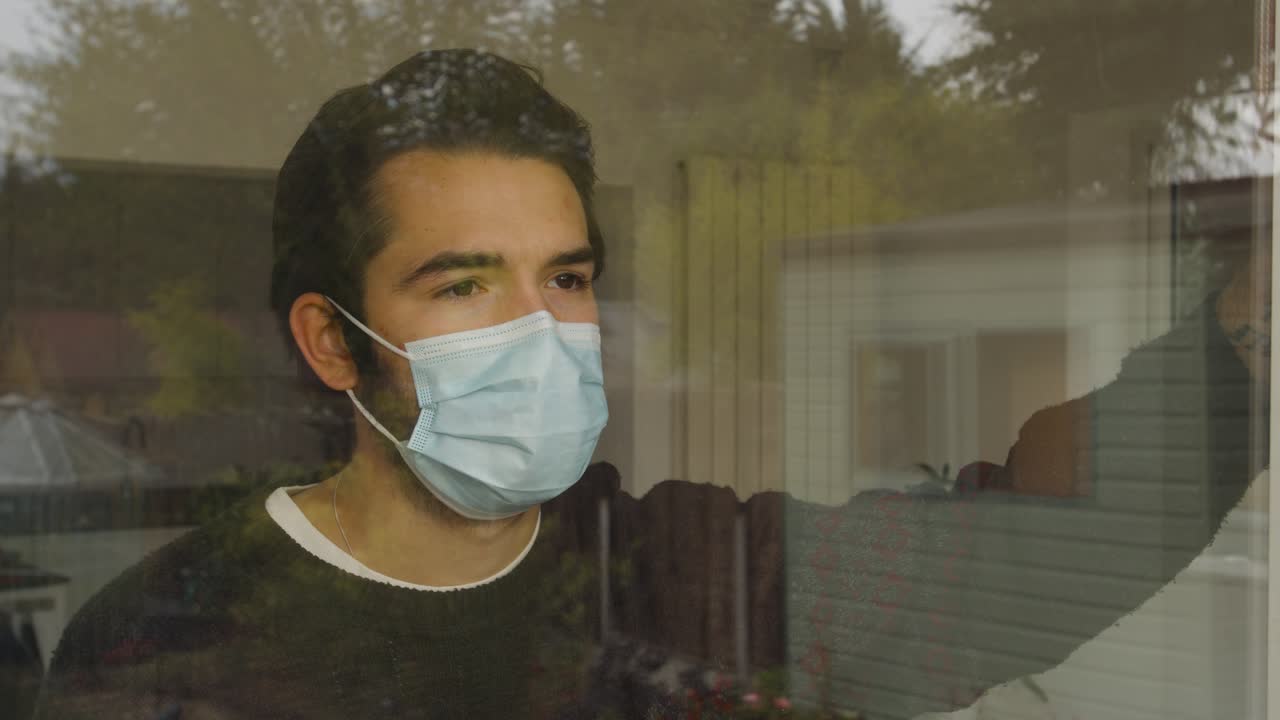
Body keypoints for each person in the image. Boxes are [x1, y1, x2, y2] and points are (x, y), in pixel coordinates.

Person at [32, 49, 1269, 720]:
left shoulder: (685, 574)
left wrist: (1242, 328)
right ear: (331, 342)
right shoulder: (166, 643)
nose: (541, 329)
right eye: (462, 286)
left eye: (564, 278)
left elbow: (1078, 537)